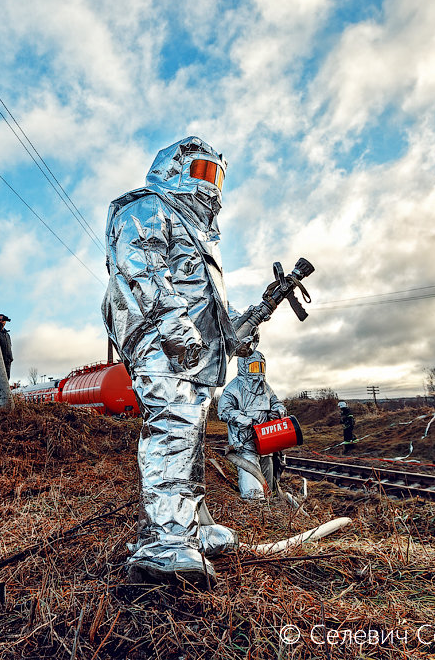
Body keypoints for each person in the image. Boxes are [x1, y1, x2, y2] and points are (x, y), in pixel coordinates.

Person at [102, 136, 242, 585]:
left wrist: (236, 328)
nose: (210, 185)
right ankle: (163, 542)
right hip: (161, 345)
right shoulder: (148, 206)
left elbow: (207, 303)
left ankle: (192, 525)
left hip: (194, 354)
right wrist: (176, 330)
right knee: (172, 429)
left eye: (217, 175)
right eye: (202, 172)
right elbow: (140, 268)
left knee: (191, 432)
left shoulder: (200, 233)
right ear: (174, 168)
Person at [217, 347, 286, 498]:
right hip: (244, 443)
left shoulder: (266, 387)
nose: (258, 371)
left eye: (261, 366)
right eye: (254, 366)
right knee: (253, 488)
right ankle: (254, 504)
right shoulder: (233, 388)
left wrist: (279, 411)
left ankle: (269, 507)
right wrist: (246, 420)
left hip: (266, 441)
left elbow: (276, 402)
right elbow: (223, 411)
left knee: (270, 484)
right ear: (244, 366)